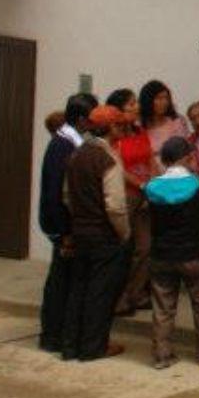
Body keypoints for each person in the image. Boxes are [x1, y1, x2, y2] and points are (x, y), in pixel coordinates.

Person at [143, 137, 199, 369]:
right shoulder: (198, 186)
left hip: (162, 255)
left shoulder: (152, 188)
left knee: (163, 306)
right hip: (195, 253)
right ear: (185, 158)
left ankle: (162, 355)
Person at [60, 105, 132, 362]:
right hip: (104, 234)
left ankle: (70, 345)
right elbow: (115, 206)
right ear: (111, 128)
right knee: (100, 292)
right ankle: (93, 346)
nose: (123, 130)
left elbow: (67, 196)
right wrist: (124, 234)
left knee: (78, 288)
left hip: (81, 230)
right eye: (120, 126)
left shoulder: (77, 155)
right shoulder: (108, 159)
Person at [37, 92, 97, 354]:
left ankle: (58, 333)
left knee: (64, 280)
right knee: (62, 283)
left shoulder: (70, 142)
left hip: (64, 225)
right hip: (62, 226)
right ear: (83, 119)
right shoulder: (64, 146)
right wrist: (64, 232)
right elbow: (56, 195)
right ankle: (55, 335)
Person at [106, 88, 155, 315]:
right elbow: (117, 167)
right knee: (122, 249)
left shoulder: (139, 130)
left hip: (144, 194)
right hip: (124, 194)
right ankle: (119, 297)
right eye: (131, 104)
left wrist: (152, 187)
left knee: (144, 247)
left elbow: (150, 159)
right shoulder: (114, 135)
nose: (137, 107)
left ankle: (137, 292)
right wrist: (140, 185)